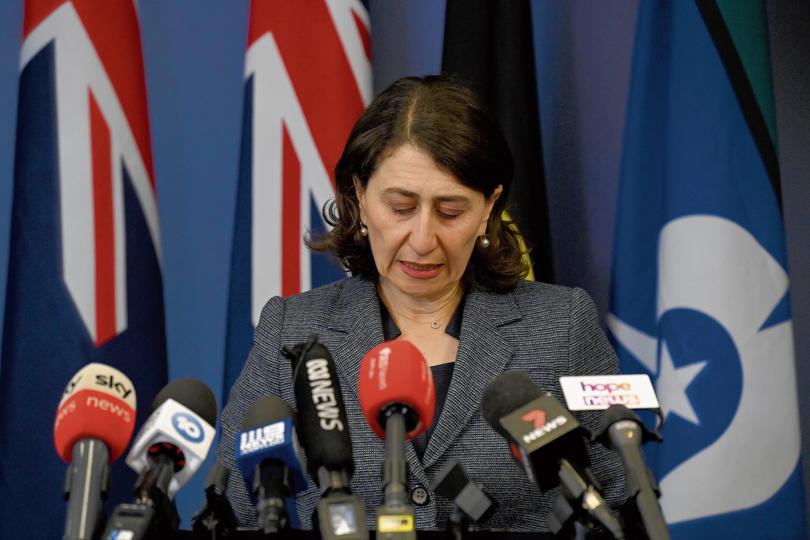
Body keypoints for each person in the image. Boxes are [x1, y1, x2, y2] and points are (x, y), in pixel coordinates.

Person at [216, 75, 625, 531]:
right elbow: (233, 511)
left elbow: (620, 510)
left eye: (450, 212)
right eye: (401, 207)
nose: (423, 239)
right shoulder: (292, 330)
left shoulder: (561, 325)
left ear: (489, 207)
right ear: (360, 197)